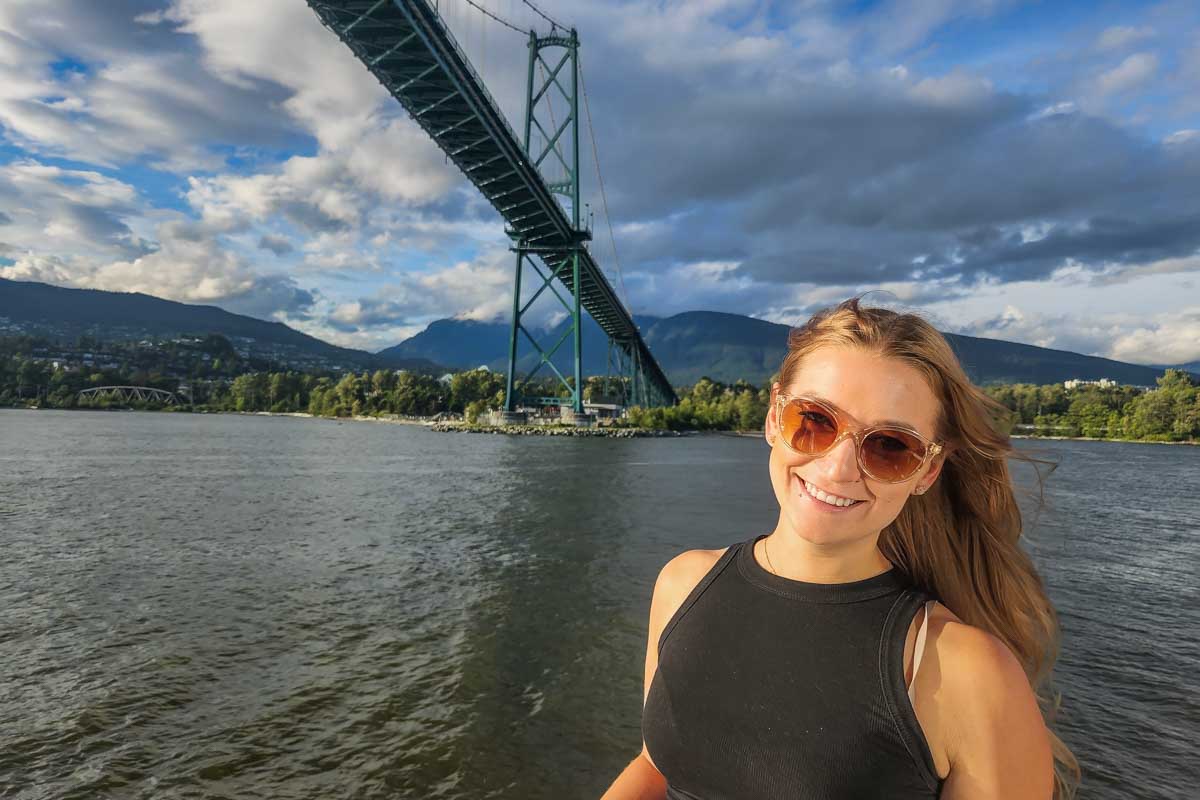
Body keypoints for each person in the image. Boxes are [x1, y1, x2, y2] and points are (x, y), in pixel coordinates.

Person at [601, 297, 1079, 800]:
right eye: (814, 420)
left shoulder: (964, 672)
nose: (838, 468)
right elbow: (654, 767)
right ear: (773, 416)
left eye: (890, 446)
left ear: (928, 470)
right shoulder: (683, 584)